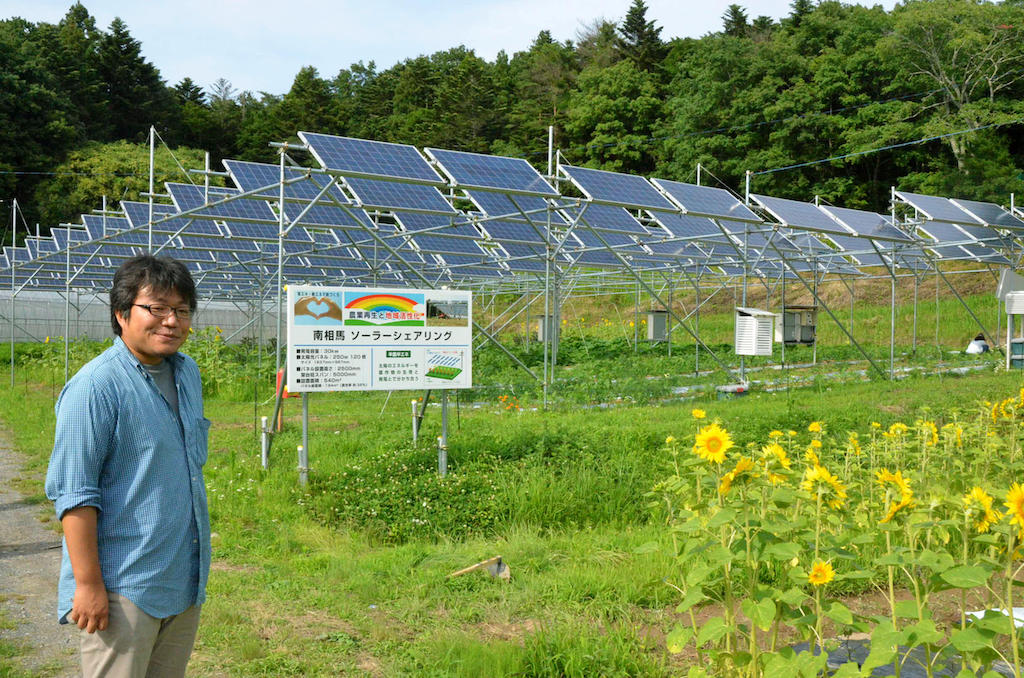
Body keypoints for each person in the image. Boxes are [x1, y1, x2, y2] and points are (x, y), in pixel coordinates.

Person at [45, 255, 211, 678]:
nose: (171, 321)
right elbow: (75, 493)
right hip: (125, 586)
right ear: (121, 314)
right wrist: (88, 586)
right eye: (156, 308)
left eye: (182, 310)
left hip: (182, 576)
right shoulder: (96, 387)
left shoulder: (186, 373)